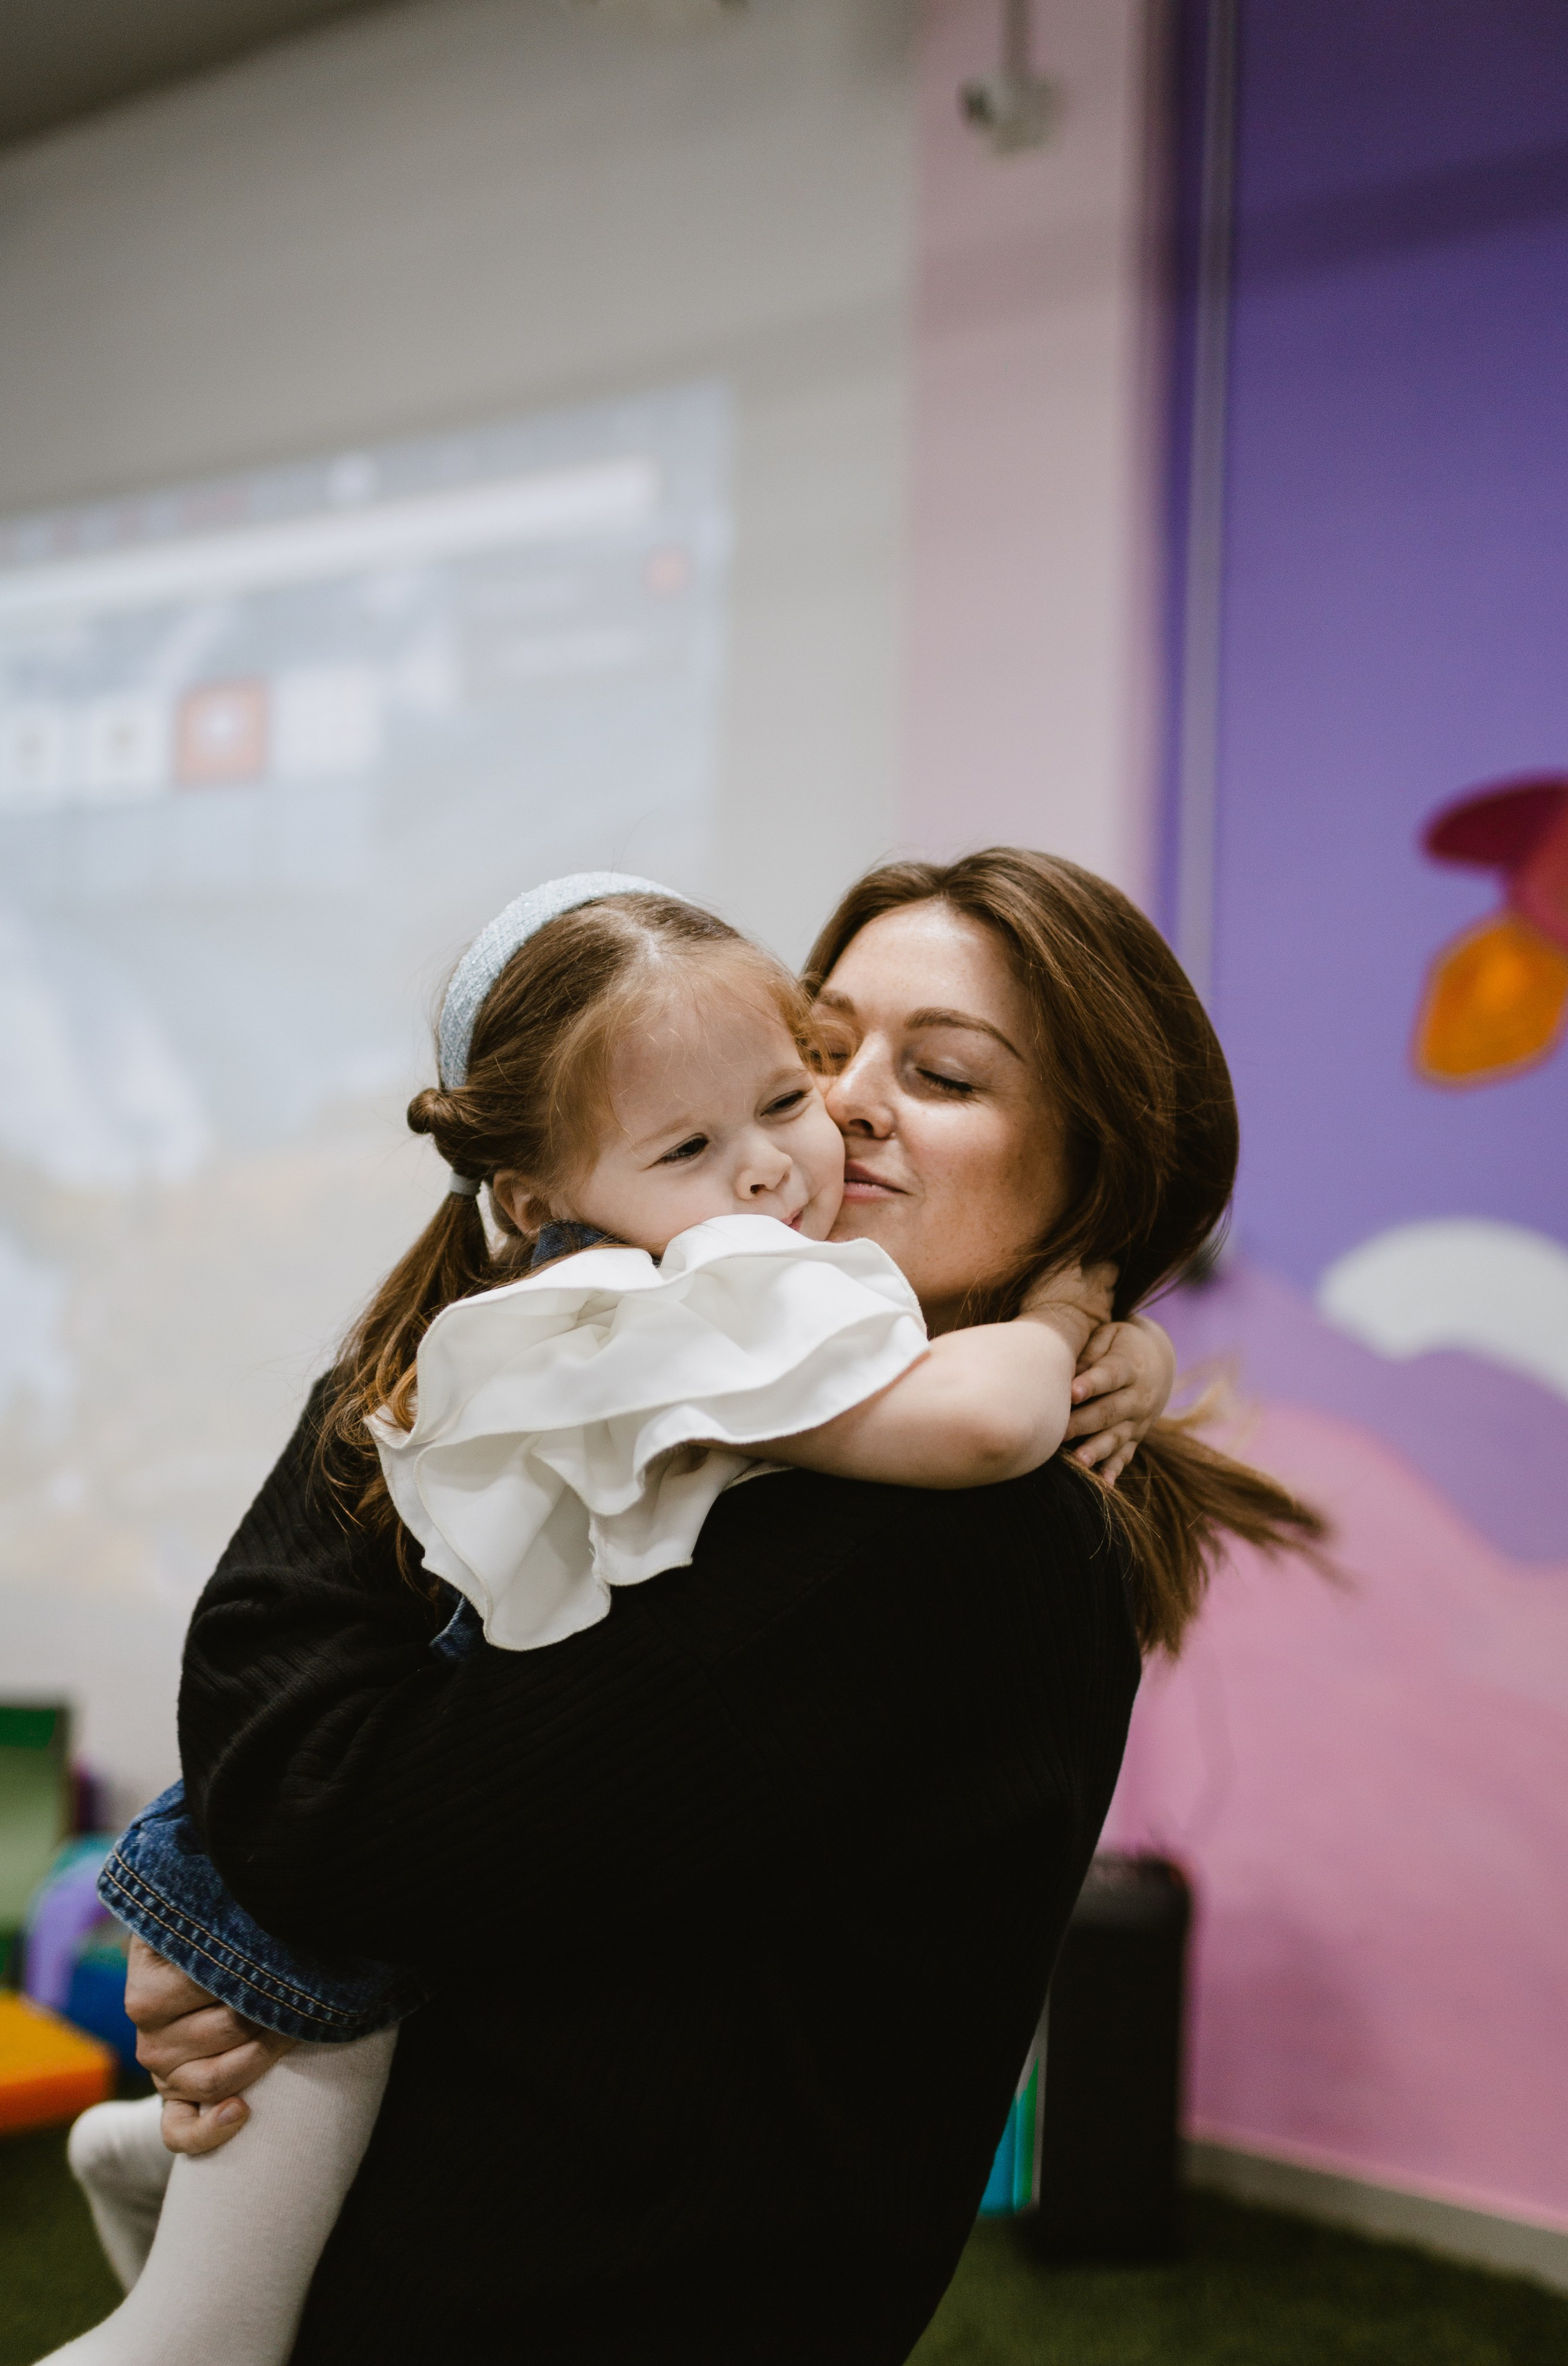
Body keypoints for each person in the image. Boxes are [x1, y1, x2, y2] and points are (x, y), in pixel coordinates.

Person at [106, 852, 1323, 2365]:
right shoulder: (745, 1423)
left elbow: (337, 1826)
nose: (846, 1104)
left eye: (940, 1073)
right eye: (818, 1053)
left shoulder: (949, 1544)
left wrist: (242, 1895)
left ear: (1095, 1176)